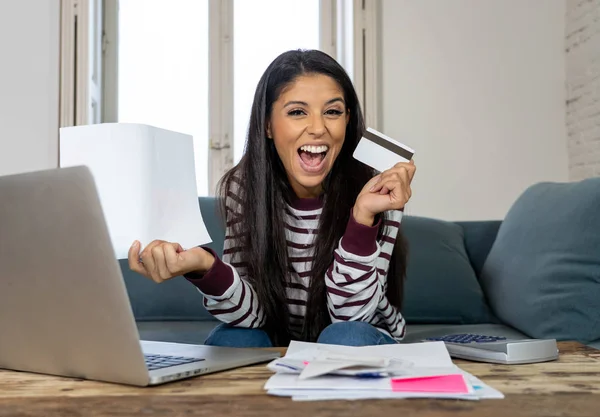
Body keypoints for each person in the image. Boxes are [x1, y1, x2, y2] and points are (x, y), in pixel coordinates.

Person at [128, 49, 416, 348]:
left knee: (344, 337)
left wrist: (361, 219)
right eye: (297, 112)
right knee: (233, 339)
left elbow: (352, 315)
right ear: (268, 125)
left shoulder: (377, 188)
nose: (318, 128)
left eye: (332, 112)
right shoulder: (243, 187)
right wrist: (203, 266)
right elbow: (248, 315)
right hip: (278, 333)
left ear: (347, 120)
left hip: (362, 332)